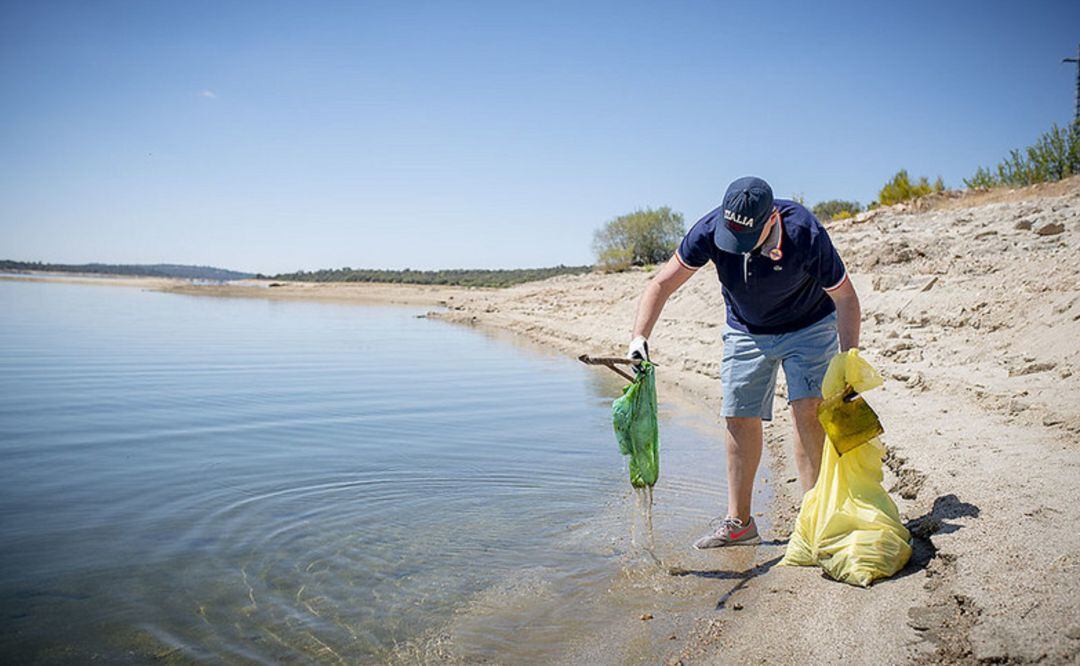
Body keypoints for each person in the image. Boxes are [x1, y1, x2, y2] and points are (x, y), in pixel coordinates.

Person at [627, 176, 861, 549]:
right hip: (745, 329)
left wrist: (849, 361)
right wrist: (639, 338)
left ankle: (817, 520)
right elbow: (661, 284)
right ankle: (740, 524)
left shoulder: (804, 231)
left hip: (809, 326)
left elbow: (846, 298)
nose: (736, 249)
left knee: (807, 410)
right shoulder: (708, 229)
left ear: (771, 219)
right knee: (738, 414)